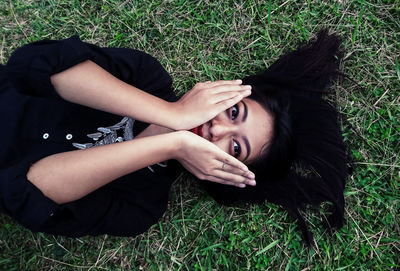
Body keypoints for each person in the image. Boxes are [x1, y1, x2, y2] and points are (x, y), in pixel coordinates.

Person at [0, 29, 349, 245]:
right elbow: (42, 64)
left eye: (236, 146)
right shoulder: (145, 77)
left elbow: (25, 193)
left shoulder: (142, 207)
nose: (218, 130)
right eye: (234, 113)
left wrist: (172, 142)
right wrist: (170, 115)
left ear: (226, 171)